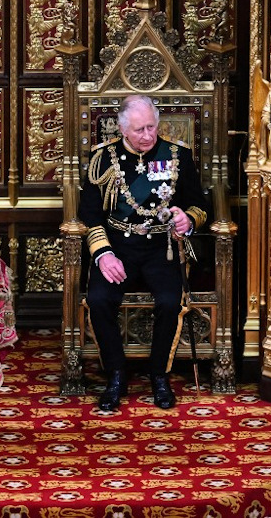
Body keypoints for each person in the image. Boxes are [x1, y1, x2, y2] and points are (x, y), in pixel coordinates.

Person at [78, 95, 209, 410]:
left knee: (168, 301)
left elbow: (202, 206)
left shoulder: (178, 155)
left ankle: (159, 376)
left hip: (161, 247)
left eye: (152, 127)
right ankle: (116, 375)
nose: (148, 135)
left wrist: (187, 219)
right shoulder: (102, 160)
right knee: (98, 299)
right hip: (117, 246)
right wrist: (103, 254)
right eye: (139, 130)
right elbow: (90, 213)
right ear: (122, 128)